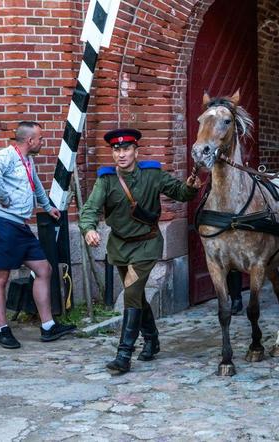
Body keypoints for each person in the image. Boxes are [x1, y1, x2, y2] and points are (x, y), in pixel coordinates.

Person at [79, 128, 201, 374]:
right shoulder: (106, 180)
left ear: (136, 151)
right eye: (116, 150)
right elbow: (90, 208)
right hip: (120, 245)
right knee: (136, 296)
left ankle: (123, 355)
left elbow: (179, 192)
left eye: (126, 149)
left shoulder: (152, 175)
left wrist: (190, 187)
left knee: (131, 293)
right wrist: (88, 229)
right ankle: (152, 339)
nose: (121, 154)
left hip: (147, 243)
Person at [0, 121, 76, 349]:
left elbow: (35, 185)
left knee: (44, 269)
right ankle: (2, 331)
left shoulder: (28, 160)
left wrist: (47, 206)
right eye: (40, 138)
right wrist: (3, 196)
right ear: (29, 140)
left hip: (20, 227)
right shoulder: (7, 155)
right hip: (2, 223)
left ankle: (48, 327)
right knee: (0, 277)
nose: (42, 141)